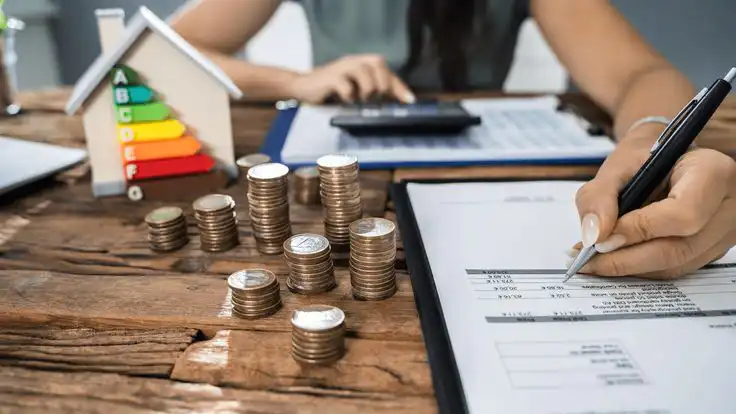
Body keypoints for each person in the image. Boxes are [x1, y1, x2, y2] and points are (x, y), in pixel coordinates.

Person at [172, 0, 736, 279]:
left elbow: (644, 75)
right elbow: (172, 51)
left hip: (492, 178)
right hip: (344, 174)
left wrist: (648, 135)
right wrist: (293, 81)